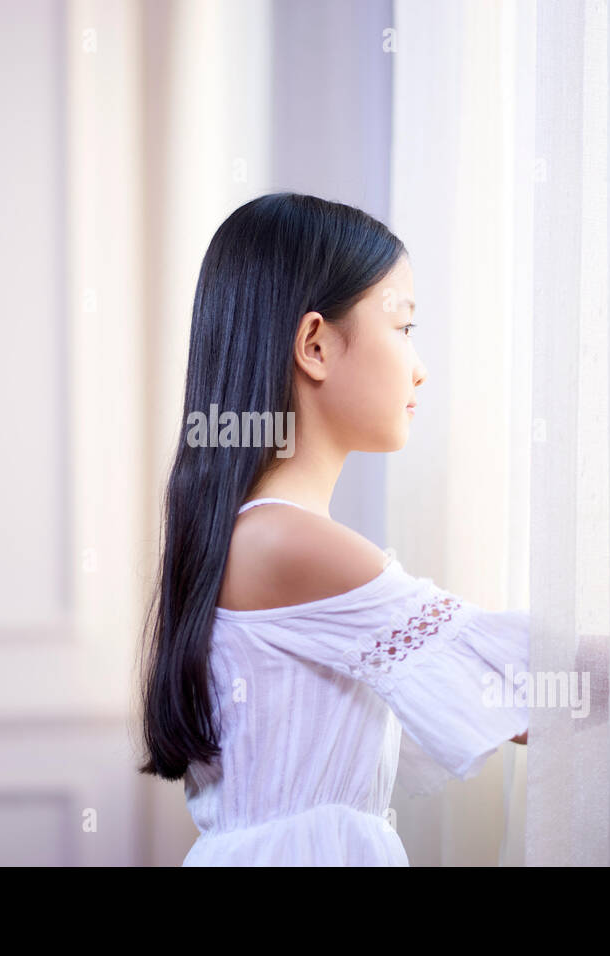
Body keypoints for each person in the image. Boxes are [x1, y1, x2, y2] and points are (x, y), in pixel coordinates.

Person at [137, 192, 529, 866]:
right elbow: (518, 679)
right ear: (315, 345)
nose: (420, 365)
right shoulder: (289, 545)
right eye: (404, 327)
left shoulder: (253, 536)